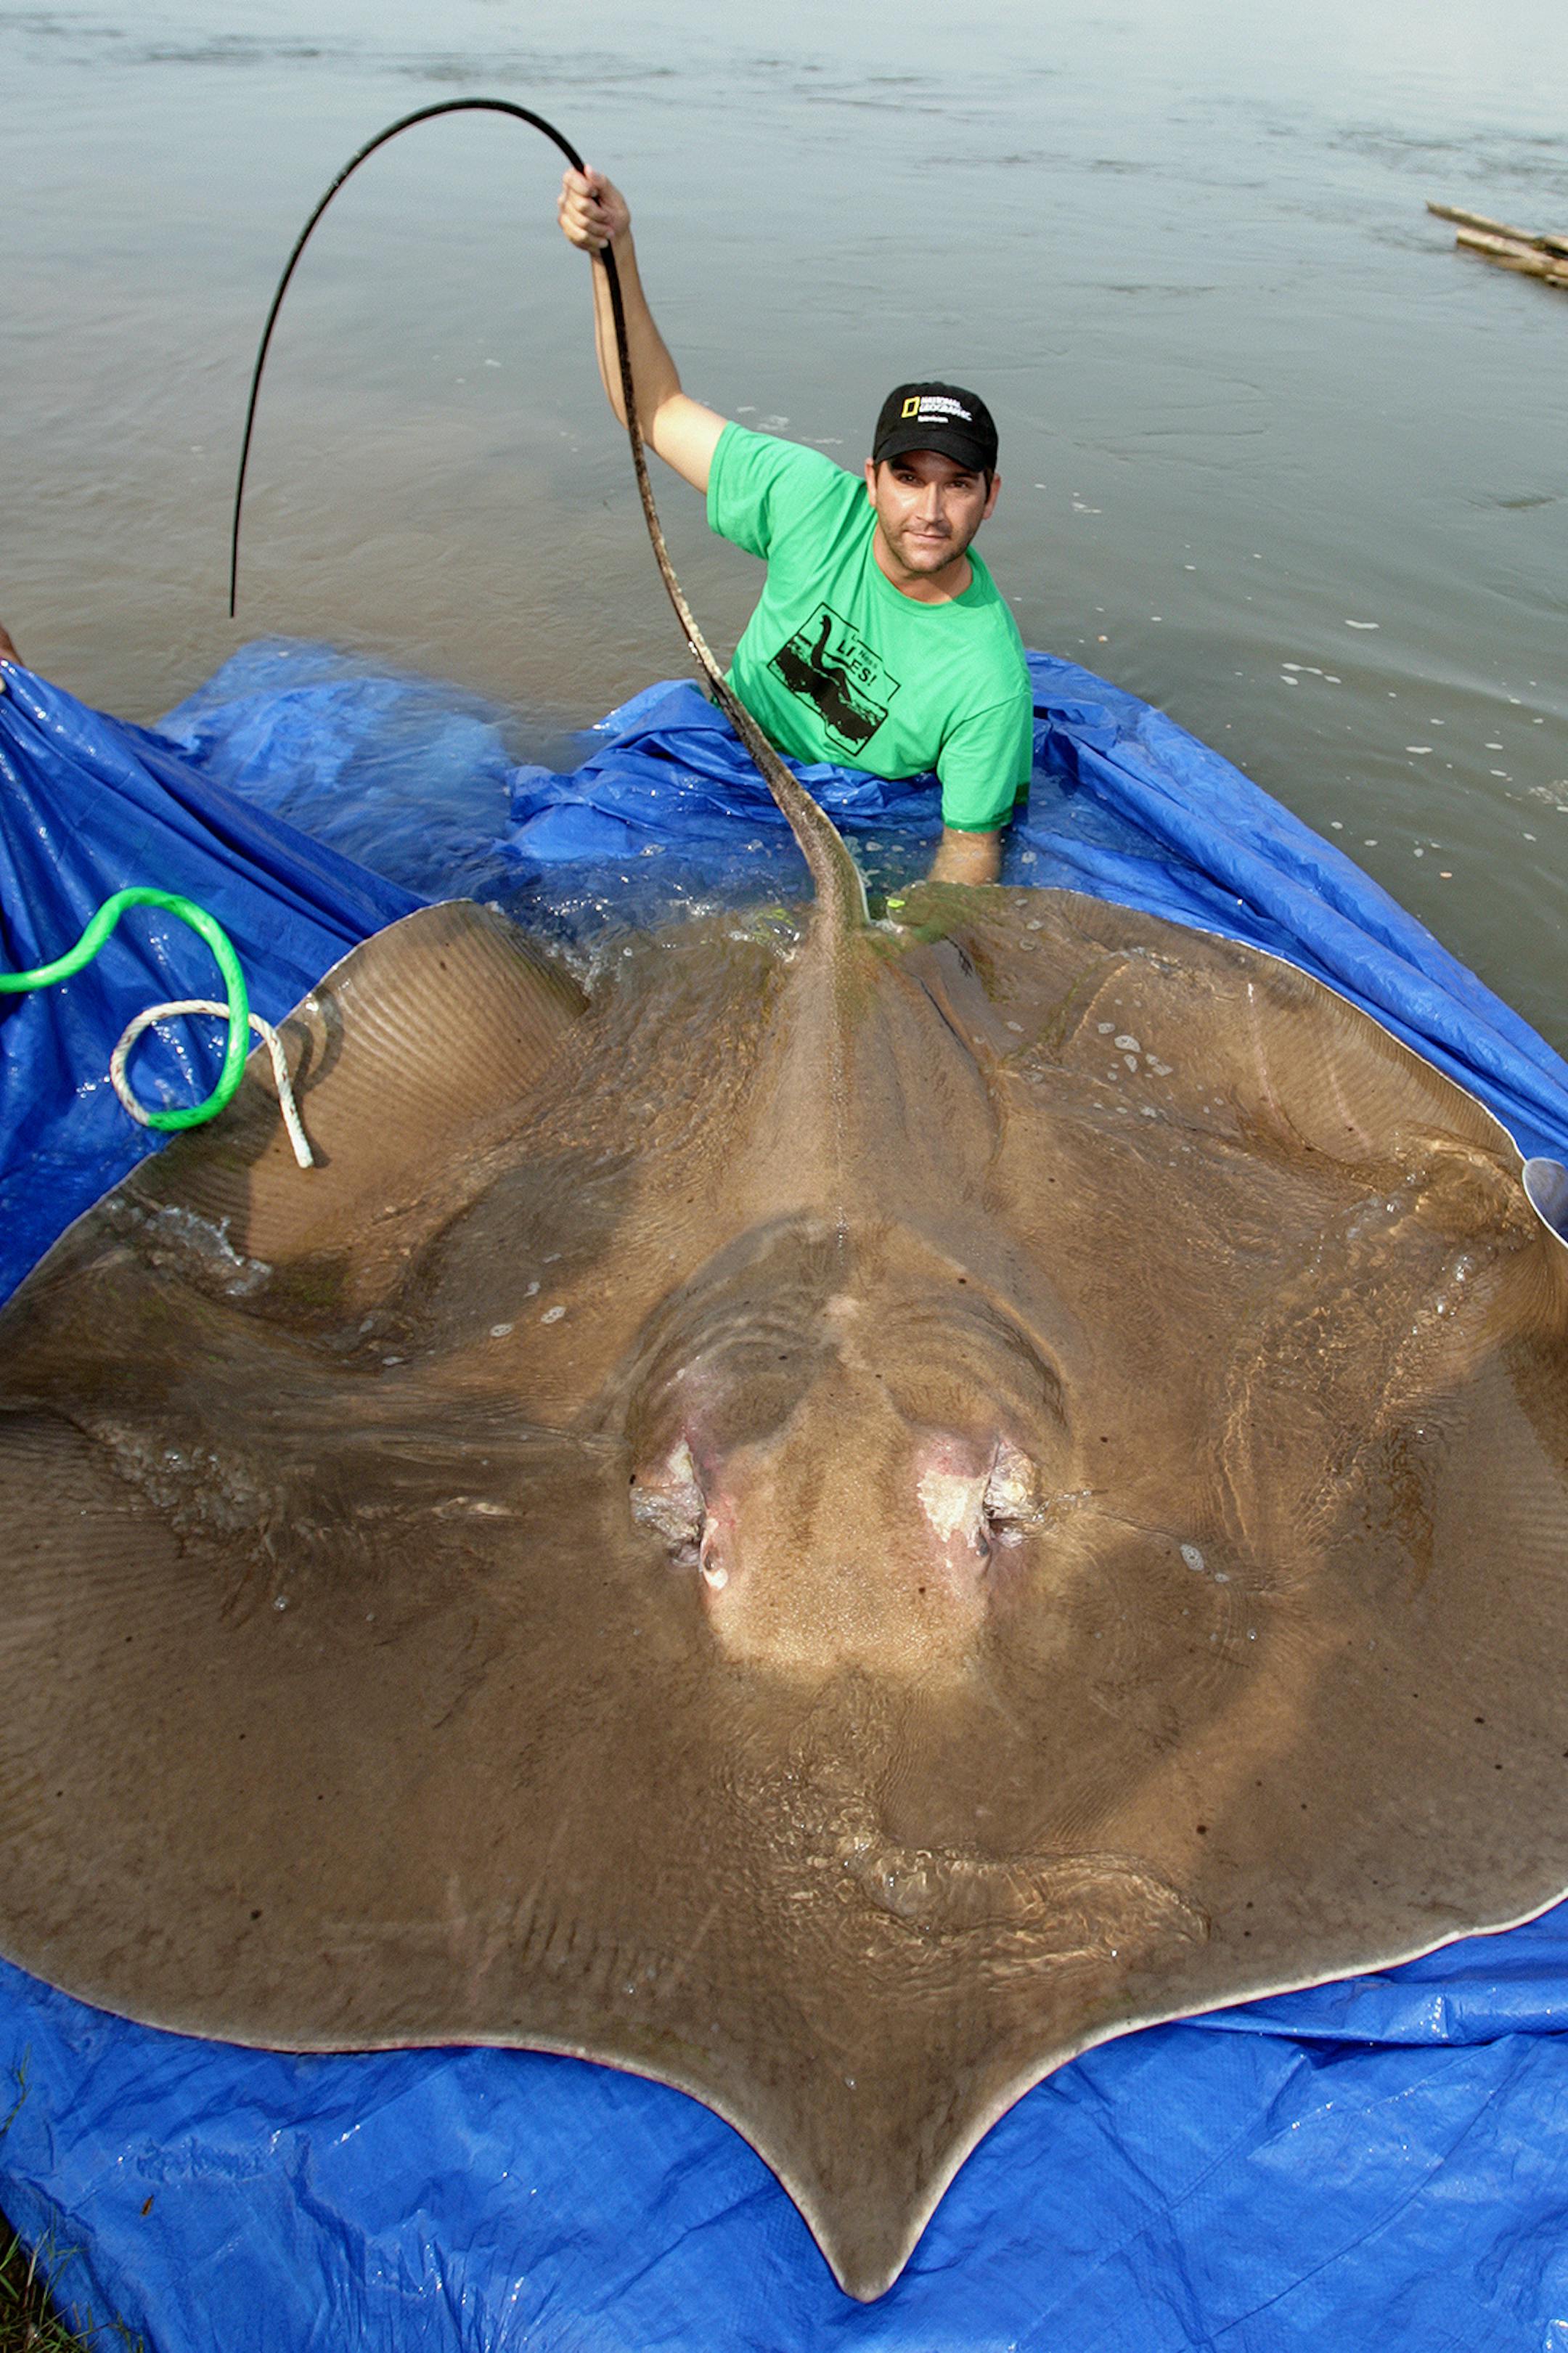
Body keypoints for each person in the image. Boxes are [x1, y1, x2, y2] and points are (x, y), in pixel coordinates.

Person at [557, 169, 1033, 885]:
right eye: (908, 479)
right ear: (870, 479)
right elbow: (651, 408)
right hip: (731, 744)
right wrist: (612, 254)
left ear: (990, 496)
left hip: (854, 815)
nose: (930, 513)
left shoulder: (989, 680)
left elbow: (968, 847)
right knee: (557, 853)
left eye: (957, 486)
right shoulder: (809, 499)